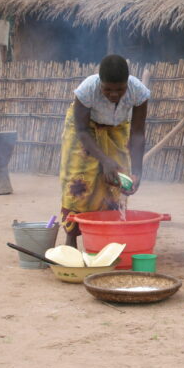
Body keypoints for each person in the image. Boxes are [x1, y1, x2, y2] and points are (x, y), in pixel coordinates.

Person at [60, 55, 150, 247]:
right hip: (85, 130)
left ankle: (107, 239)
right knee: (79, 181)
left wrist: (137, 172)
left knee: (116, 181)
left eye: (120, 89)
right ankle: (71, 241)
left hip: (117, 128)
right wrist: (104, 160)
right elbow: (82, 130)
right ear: (100, 82)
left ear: (128, 83)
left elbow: (137, 134)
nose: (114, 94)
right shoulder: (87, 90)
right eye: (107, 89)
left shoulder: (139, 92)